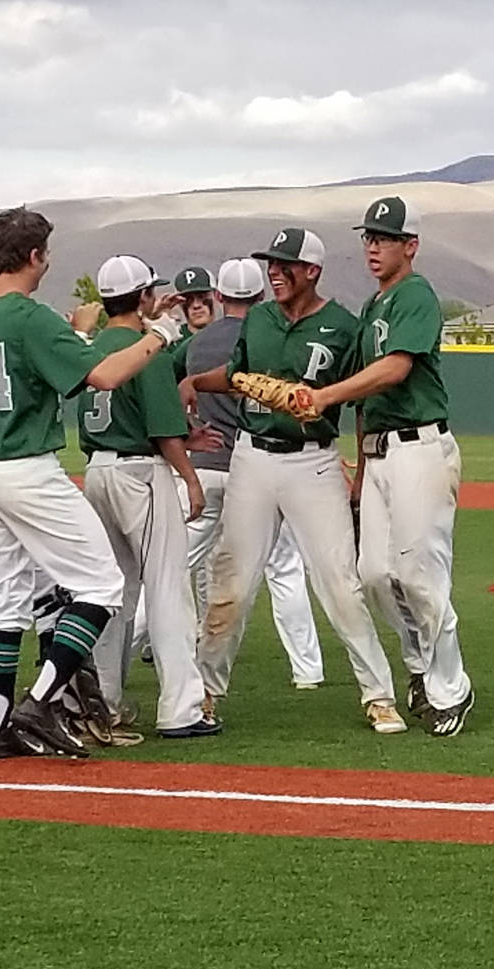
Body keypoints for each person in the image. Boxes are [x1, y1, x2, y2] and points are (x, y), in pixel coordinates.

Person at [0, 207, 182, 758]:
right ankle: (38, 704)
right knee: (102, 586)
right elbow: (105, 376)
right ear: (35, 256)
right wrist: (160, 335)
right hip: (24, 467)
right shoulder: (28, 316)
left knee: (7, 602)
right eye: (46, 253)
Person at [180, 228, 403, 734]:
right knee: (229, 585)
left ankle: (379, 694)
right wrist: (192, 382)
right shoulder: (257, 318)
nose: (274, 272)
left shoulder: (343, 327)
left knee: (341, 585)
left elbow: (363, 400)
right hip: (253, 458)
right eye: (270, 265)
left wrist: (361, 473)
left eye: (284, 265)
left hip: (314, 461)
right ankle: (205, 695)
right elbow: (238, 376)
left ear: (312, 272)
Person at [306, 196, 473, 737]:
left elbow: (396, 369)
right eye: (368, 237)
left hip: (421, 448)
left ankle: (452, 687)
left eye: (384, 237)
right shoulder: (374, 306)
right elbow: (365, 397)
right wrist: (358, 466)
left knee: (421, 575)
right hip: (379, 452)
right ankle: (422, 668)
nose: (372, 246)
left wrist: (325, 395)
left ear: (411, 245)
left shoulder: (416, 295)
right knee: (377, 575)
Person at [78, 254, 223, 738]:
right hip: (141, 473)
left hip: (97, 471)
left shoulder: (96, 346)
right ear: (142, 297)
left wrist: (185, 436)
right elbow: (162, 430)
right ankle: (181, 709)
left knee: (111, 592)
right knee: (168, 589)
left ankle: (105, 699)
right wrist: (192, 477)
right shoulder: (149, 350)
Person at [183, 256, 324, 690]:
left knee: (173, 568)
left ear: (219, 296)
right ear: (261, 295)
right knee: (283, 570)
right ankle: (308, 670)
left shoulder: (194, 345)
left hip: (205, 468)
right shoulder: (267, 336)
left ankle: (127, 653)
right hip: (254, 468)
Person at [169, 265, 216, 379]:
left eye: (202, 296)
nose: (196, 305)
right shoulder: (172, 340)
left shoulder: (228, 333)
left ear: (216, 296)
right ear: (179, 303)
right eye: (188, 299)